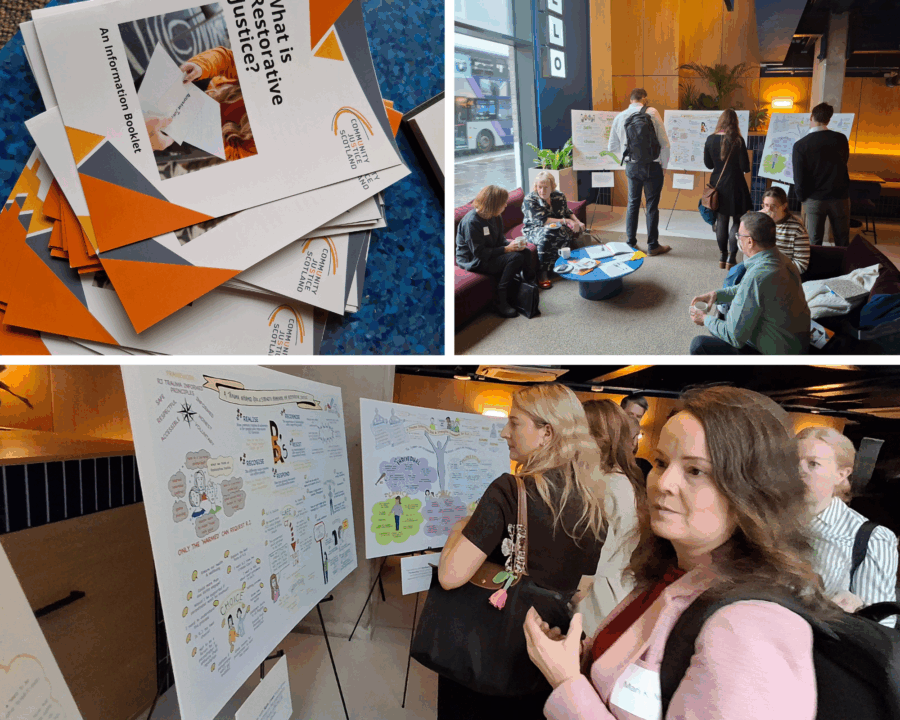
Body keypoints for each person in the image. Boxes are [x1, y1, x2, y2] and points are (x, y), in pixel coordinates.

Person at [524, 385, 844, 720]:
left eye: (695, 471)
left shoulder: (752, 626)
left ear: (750, 489)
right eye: (661, 462)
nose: (663, 483)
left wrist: (566, 681)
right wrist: (579, 660)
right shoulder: (672, 576)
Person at [436, 384, 608, 719]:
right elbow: (581, 589)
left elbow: (449, 577)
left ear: (546, 433)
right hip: (546, 657)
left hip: (483, 652)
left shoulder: (508, 490)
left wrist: (460, 528)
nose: (504, 432)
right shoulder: (593, 503)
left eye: (514, 423)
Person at [797, 426, 898, 623]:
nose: (799, 472)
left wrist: (853, 609)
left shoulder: (870, 538)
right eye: (792, 462)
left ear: (841, 474)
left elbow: (878, 626)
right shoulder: (768, 522)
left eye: (813, 464)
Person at [689, 211, 810, 354]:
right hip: (796, 344)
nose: (738, 239)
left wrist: (705, 319)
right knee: (723, 319)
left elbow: (734, 337)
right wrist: (715, 295)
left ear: (750, 241)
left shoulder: (757, 277)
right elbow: (745, 290)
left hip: (778, 360)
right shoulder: (783, 260)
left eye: (739, 235)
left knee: (699, 344)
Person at [578, 400, 645, 636]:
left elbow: (592, 556)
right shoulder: (618, 480)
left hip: (597, 600)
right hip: (611, 592)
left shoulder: (610, 485)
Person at [608, 88, 672, 257]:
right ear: (645, 99)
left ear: (630, 100)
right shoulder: (652, 112)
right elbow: (664, 143)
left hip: (632, 166)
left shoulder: (620, 116)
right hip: (653, 166)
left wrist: (629, 157)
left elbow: (611, 147)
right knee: (651, 206)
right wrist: (663, 166)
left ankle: (631, 243)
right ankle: (653, 246)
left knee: (633, 204)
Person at [456, 185, 534, 318]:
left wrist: (513, 244)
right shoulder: (472, 222)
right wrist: (507, 249)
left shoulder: (495, 216)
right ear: (493, 204)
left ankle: (529, 287)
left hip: (489, 252)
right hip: (474, 260)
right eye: (502, 203)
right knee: (515, 257)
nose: (505, 205)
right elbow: (480, 253)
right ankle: (500, 298)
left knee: (525, 251)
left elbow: (500, 240)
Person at [180, 47, 257, 161]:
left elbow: (237, 154)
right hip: (210, 91)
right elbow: (228, 59)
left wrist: (214, 139)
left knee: (161, 139)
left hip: (207, 134)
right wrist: (201, 66)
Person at [792, 102, 851, 247]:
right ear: (829, 119)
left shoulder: (800, 145)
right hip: (840, 197)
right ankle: (842, 268)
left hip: (813, 199)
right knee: (842, 240)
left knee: (814, 242)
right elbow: (845, 161)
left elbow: (798, 177)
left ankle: (818, 269)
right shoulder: (841, 139)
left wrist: (801, 198)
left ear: (811, 117)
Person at [703, 109, 751, 269]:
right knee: (737, 220)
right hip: (737, 185)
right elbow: (745, 167)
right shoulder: (738, 140)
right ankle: (732, 258)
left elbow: (708, 164)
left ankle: (722, 256)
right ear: (735, 122)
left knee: (721, 221)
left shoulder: (710, 139)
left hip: (718, 185)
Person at [522, 171, 585, 288]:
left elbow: (567, 212)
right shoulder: (530, 199)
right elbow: (543, 221)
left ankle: (564, 264)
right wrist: (568, 221)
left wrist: (578, 221)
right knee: (547, 235)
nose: (542, 191)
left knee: (565, 232)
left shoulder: (559, 196)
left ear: (552, 187)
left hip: (558, 226)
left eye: (546, 187)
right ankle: (543, 273)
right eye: (539, 187)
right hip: (534, 228)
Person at [762, 186, 810, 276]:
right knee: (736, 271)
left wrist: (774, 268)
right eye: (766, 205)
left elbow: (801, 265)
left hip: (781, 273)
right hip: (760, 267)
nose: (768, 210)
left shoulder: (796, 229)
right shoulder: (760, 221)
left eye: (773, 206)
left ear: (784, 206)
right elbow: (744, 246)